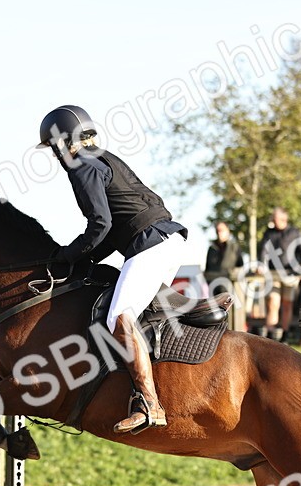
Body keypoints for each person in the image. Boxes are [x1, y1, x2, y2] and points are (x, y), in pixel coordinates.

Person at [38, 104, 191, 433]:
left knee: (117, 318)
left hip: (150, 245)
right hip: (168, 238)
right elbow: (111, 228)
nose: (55, 156)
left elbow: (100, 224)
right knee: (139, 317)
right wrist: (87, 257)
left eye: (53, 148)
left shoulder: (81, 166)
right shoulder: (105, 158)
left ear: (65, 142)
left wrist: (71, 254)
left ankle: (150, 402)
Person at [258, 207, 301, 342]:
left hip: (290, 274)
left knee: (287, 304)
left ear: (283, 219)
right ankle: (270, 335)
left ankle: (285, 334)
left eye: (275, 218)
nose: (272, 220)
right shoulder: (269, 233)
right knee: (273, 302)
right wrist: (261, 264)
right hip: (273, 274)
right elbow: (263, 251)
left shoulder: (294, 232)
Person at [206, 221, 248, 332]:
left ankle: (231, 331)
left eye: (222, 230)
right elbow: (208, 269)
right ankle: (219, 330)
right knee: (217, 310)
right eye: (218, 230)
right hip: (215, 285)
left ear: (228, 231)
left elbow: (241, 265)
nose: (220, 233)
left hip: (232, 286)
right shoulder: (212, 248)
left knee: (232, 310)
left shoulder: (234, 247)